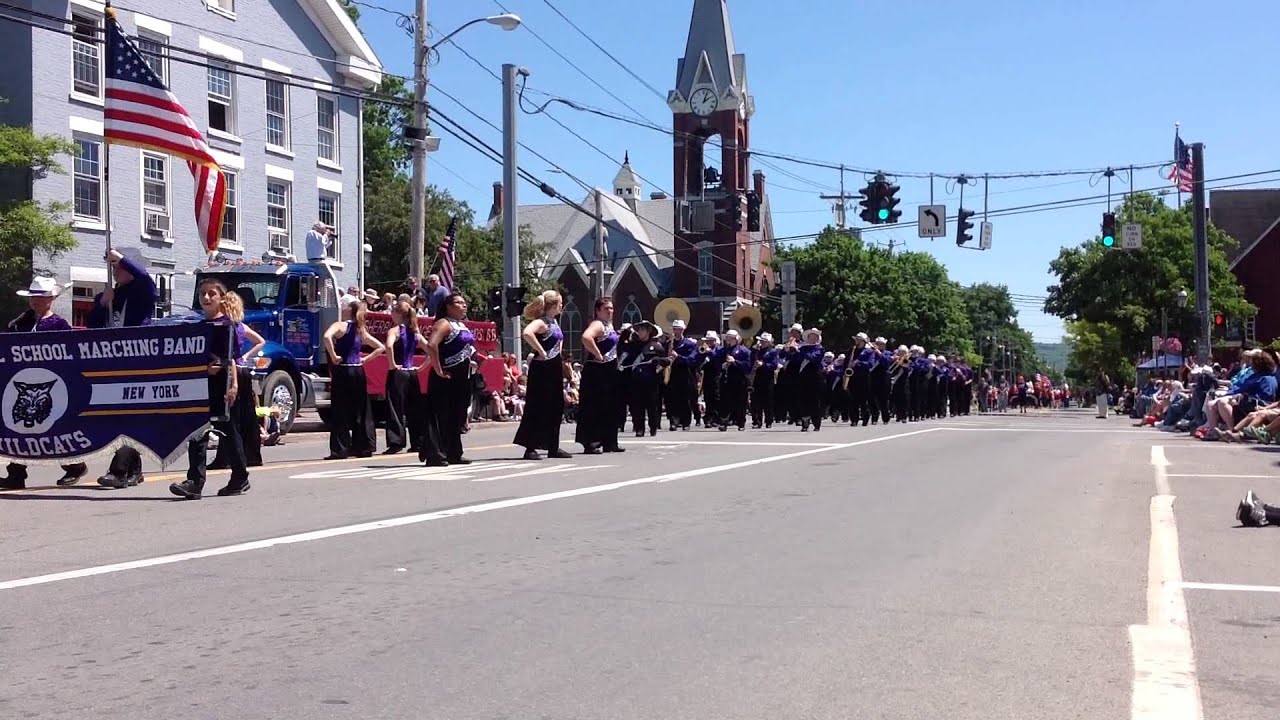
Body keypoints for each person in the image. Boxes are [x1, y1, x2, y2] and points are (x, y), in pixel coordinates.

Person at [0, 278, 88, 490]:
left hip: (50, 383)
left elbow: (69, 353)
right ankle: (16, 473)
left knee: (54, 426)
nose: (36, 301)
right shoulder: (22, 322)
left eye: (41, 297)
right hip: (22, 382)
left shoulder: (59, 325)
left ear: (51, 299)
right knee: (18, 425)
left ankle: (74, 465)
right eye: (33, 297)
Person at [169, 278, 250, 500]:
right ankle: (194, 482)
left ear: (221, 298)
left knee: (228, 430)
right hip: (199, 382)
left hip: (222, 382)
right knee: (197, 431)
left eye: (211, 293)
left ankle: (240, 477)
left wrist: (233, 384)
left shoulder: (227, 325)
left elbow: (233, 358)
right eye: (202, 293)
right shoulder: (197, 327)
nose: (206, 297)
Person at [89, 247, 158, 489]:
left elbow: (145, 279)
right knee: (121, 415)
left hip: (137, 359)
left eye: (118, 267)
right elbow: (93, 327)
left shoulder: (142, 290)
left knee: (131, 412)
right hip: (112, 361)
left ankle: (119, 470)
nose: (114, 271)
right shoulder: (110, 294)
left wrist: (120, 257)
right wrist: (101, 305)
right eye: (113, 268)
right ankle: (134, 469)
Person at [209, 292, 267, 469]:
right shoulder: (241, 326)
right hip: (243, 369)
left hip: (230, 369)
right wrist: (247, 355)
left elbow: (228, 354)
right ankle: (251, 455)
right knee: (246, 415)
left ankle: (225, 457)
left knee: (229, 417)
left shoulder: (225, 326)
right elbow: (261, 341)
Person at [514, 290, 572, 461]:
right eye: (560, 302)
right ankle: (530, 447)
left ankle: (553, 446)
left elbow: (558, 341)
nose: (562, 305)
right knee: (537, 406)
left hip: (554, 367)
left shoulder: (554, 321)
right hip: (541, 368)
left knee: (555, 406)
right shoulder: (541, 322)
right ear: (553, 304)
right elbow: (527, 333)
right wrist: (541, 350)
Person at [323, 299, 384, 459]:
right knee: (361, 410)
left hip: (343, 370)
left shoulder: (340, 325)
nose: (342, 309)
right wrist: (366, 359)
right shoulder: (359, 329)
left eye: (345, 307)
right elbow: (380, 347)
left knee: (340, 410)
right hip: (358, 370)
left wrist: (334, 355)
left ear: (349, 310)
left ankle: (340, 448)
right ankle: (363, 447)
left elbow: (326, 337)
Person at [424, 292, 476, 466]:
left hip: (462, 376)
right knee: (440, 414)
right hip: (446, 375)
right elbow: (431, 345)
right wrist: (438, 369)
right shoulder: (444, 323)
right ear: (448, 306)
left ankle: (454, 452)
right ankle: (435, 454)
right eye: (459, 303)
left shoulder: (461, 325)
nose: (464, 305)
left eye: (464, 302)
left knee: (456, 414)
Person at [576, 298, 624, 454]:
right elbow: (586, 337)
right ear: (598, 311)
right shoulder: (597, 324)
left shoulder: (609, 325)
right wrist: (597, 354)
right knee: (595, 406)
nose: (610, 311)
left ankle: (610, 442)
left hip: (610, 371)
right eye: (606, 309)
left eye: (611, 308)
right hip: (596, 372)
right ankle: (592, 442)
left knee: (611, 406)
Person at [383, 301, 429, 455]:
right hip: (412, 372)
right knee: (415, 409)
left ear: (397, 314)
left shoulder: (395, 330)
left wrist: (392, 364)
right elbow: (430, 349)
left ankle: (396, 442)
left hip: (399, 372)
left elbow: (388, 346)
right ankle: (418, 441)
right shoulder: (415, 332)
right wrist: (422, 367)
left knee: (395, 408)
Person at [618, 320, 668, 437]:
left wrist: (659, 361)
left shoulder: (656, 347)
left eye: (642, 330)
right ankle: (639, 428)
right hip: (635, 380)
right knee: (636, 406)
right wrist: (624, 334)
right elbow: (621, 348)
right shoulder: (633, 346)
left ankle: (653, 427)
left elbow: (667, 361)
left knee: (652, 406)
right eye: (639, 330)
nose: (640, 332)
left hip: (651, 381)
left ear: (648, 331)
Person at [714, 329, 752, 431]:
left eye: (730, 338)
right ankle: (724, 422)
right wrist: (722, 365)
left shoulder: (744, 350)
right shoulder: (723, 350)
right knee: (725, 402)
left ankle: (741, 423)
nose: (728, 340)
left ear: (736, 339)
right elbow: (717, 363)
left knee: (741, 402)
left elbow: (747, 366)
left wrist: (735, 362)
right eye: (727, 338)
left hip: (739, 379)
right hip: (726, 378)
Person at [750, 332, 779, 429]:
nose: (762, 343)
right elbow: (751, 359)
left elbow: (774, 365)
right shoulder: (757, 351)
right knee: (756, 400)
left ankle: (769, 420)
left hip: (767, 377)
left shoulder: (773, 351)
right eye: (761, 341)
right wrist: (754, 350)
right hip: (757, 376)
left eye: (764, 341)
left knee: (768, 400)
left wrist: (763, 365)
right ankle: (757, 421)